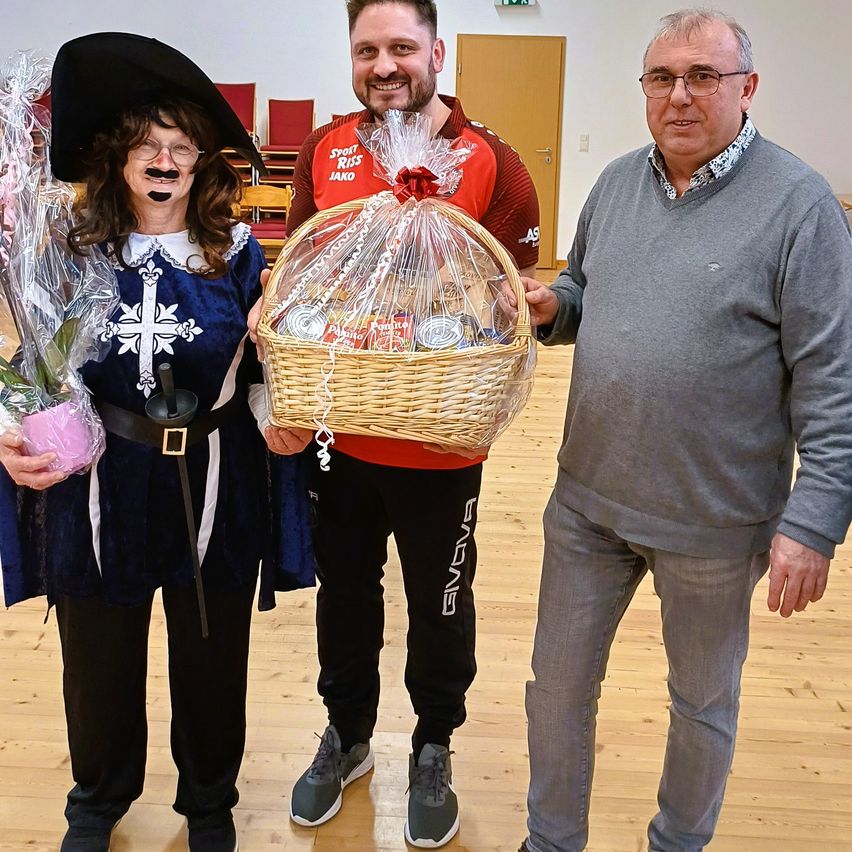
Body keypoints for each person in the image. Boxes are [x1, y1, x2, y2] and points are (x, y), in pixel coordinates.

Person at [519, 9, 852, 852]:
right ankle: (551, 841)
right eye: (662, 78)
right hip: (588, 501)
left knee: (701, 705)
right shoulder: (617, 184)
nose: (680, 95)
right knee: (555, 688)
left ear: (747, 88)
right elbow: (586, 291)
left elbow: (832, 380)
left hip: (714, 520)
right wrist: (558, 307)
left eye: (703, 76)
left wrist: (812, 521)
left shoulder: (802, 206)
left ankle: (677, 843)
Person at [0, 33, 312, 852]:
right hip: (100, 479)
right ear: (119, 157)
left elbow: (259, 370)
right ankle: (96, 802)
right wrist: (9, 429)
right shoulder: (71, 255)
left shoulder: (237, 255)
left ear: (204, 162)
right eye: (148, 143)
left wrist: (280, 409)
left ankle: (209, 805)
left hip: (214, 478)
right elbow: (29, 364)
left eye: (181, 145)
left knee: (213, 655)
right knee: (97, 657)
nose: (165, 158)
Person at [248, 0, 538, 846]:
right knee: (345, 590)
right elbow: (295, 268)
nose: (385, 65)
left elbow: (512, 296)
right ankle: (346, 735)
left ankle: (435, 741)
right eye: (367, 48)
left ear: (436, 51)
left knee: (440, 596)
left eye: (402, 47)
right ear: (350, 55)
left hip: (441, 434)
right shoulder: (325, 150)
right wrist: (277, 364)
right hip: (337, 428)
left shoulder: (492, 161)